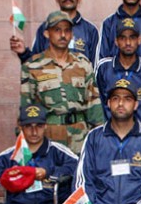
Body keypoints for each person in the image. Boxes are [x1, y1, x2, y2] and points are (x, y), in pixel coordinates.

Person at [20, 11, 104, 154]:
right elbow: (26, 109)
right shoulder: (32, 66)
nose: (63, 35)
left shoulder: (82, 64)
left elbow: (94, 106)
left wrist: (100, 140)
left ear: (71, 34)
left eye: (67, 30)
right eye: (57, 30)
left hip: (79, 136)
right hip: (48, 137)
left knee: (78, 175)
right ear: (47, 34)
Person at [10, 0, 99, 67]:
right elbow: (34, 65)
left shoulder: (90, 30)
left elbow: (95, 69)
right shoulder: (45, 28)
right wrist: (23, 53)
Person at [96, 18, 141, 126]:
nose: (128, 43)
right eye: (123, 38)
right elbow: (97, 104)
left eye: (132, 38)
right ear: (116, 41)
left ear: (139, 40)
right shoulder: (103, 67)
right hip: (110, 134)